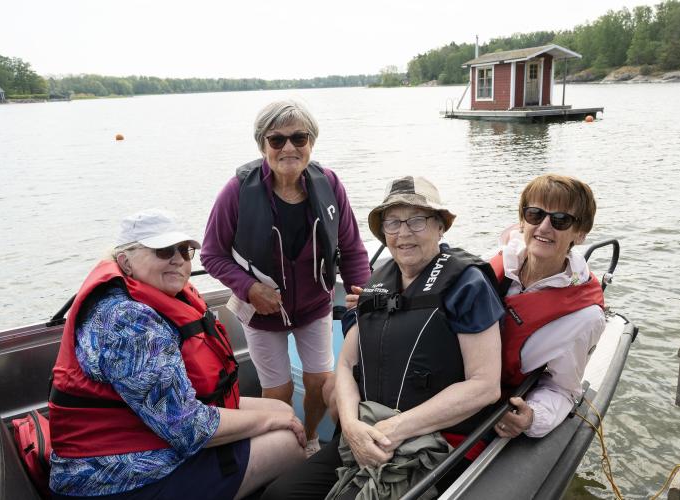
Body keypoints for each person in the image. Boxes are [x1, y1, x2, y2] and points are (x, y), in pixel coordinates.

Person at [262, 176, 504, 499]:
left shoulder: (468, 286)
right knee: (279, 494)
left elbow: (485, 385)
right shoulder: (379, 281)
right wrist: (350, 425)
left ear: (440, 226)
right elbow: (346, 364)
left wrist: (394, 429)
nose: (403, 233)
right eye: (393, 222)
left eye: (417, 220)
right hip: (365, 431)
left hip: (429, 445)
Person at [48, 209, 306, 499]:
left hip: (148, 434)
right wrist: (271, 422)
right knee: (288, 440)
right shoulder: (126, 321)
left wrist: (277, 417)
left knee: (284, 411)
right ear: (125, 262)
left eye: (184, 251)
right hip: (116, 480)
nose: (178, 259)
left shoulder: (147, 296)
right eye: (162, 251)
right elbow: (188, 428)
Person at [201, 100, 371, 456]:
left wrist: (365, 302)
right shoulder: (237, 191)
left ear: (311, 142)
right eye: (277, 140)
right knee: (276, 392)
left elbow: (352, 249)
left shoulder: (330, 185)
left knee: (320, 381)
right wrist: (249, 288)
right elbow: (211, 254)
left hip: (314, 305)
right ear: (262, 145)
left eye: (299, 137)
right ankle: (280, 449)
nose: (289, 148)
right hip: (261, 312)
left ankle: (308, 440)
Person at [492, 173, 606, 439]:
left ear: (579, 234)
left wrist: (533, 417)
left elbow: (562, 389)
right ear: (523, 220)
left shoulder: (584, 317)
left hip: (495, 401)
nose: (544, 227)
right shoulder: (500, 263)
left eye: (560, 220)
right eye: (535, 214)